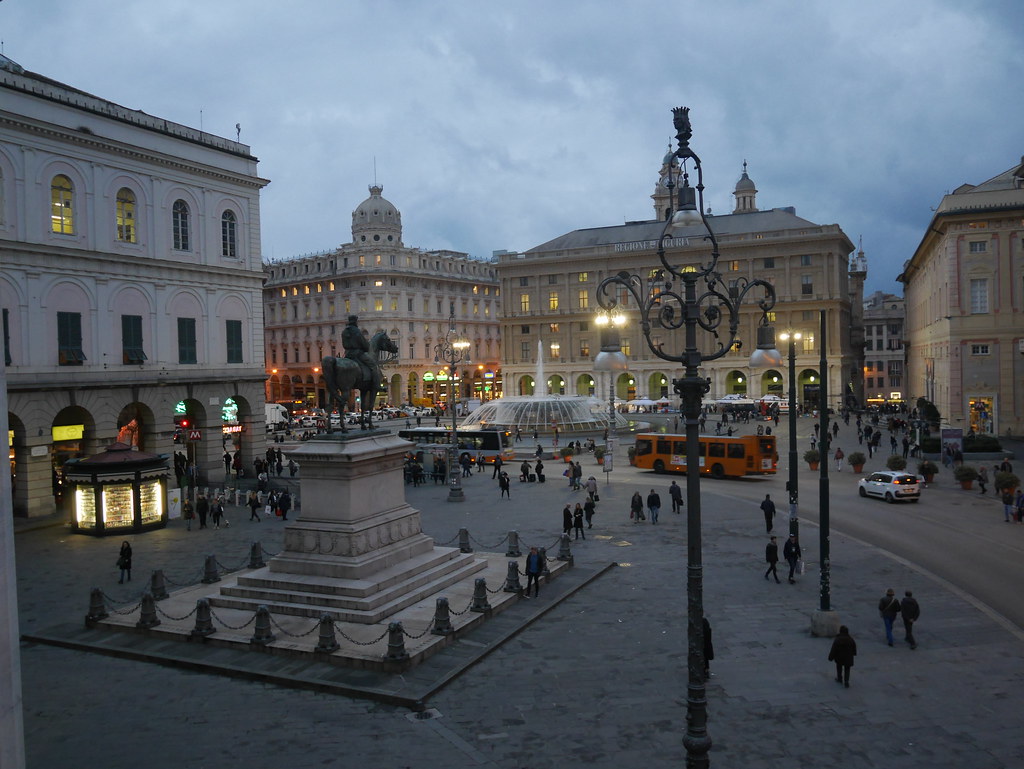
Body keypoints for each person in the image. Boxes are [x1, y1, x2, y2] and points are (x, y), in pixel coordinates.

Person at [341, 314, 372, 381]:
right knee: (373, 365)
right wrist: (366, 348)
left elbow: (344, 344)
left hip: (347, 354)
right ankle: (376, 384)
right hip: (357, 354)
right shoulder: (356, 331)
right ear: (355, 321)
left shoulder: (344, 331)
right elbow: (363, 343)